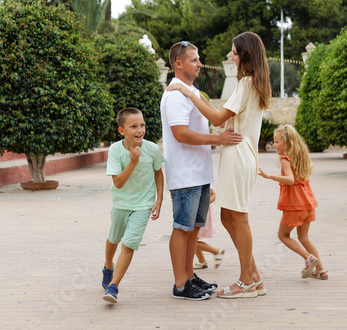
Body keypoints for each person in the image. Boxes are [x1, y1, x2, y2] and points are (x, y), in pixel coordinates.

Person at [166, 32, 271, 298]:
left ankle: (247, 280)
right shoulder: (253, 83)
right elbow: (221, 121)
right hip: (242, 153)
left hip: (237, 152)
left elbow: (216, 117)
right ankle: (253, 275)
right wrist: (192, 94)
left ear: (245, 55)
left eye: (235, 53)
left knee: (239, 218)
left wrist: (189, 93)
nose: (232, 57)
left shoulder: (246, 83)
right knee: (228, 217)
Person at [160, 41, 243, 300]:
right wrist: (218, 140)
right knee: (182, 228)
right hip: (185, 174)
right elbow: (181, 134)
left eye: (198, 59)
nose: (199, 64)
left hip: (199, 173)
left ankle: (189, 276)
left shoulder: (190, 92)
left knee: (194, 228)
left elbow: (214, 118)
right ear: (178, 64)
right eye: (194, 60)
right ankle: (180, 284)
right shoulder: (175, 94)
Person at [102, 108, 165, 303]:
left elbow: (158, 173)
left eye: (142, 125)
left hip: (143, 205)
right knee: (113, 239)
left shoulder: (152, 149)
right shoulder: (114, 150)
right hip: (121, 203)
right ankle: (107, 266)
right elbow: (118, 183)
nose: (140, 130)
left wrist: (159, 200)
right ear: (122, 131)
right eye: (134, 126)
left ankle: (113, 286)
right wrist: (133, 162)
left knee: (129, 243)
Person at [258, 125, 328, 280]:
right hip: (308, 204)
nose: (274, 145)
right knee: (304, 238)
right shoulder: (302, 156)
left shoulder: (285, 160)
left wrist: (269, 176)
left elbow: (290, 180)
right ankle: (321, 271)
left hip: (295, 206)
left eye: (277, 142)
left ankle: (308, 258)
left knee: (283, 235)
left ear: (287, 143)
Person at [194, 189, 225, 269]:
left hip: (199, 212)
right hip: (195, 212)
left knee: (189, 240)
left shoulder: (202, 179)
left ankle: (216, 251)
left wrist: (201, 205)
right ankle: (201, 261)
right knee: (193, 238)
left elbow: (214, 195)